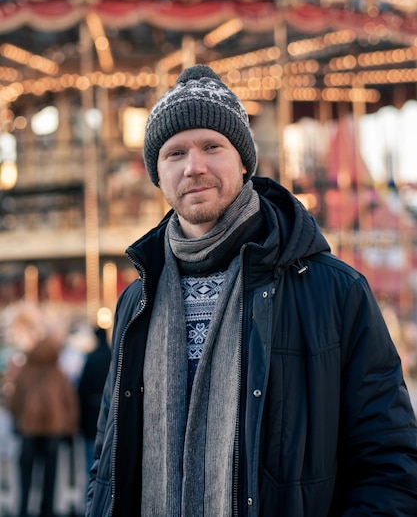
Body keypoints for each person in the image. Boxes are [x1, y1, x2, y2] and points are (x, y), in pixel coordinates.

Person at [85, 64, 417, 517]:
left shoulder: (333, 291)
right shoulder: (135, 300)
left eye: (211, 147)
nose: (194, 167)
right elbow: (109, 453)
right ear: (157, 174)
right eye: (175, 153)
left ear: (243, 160)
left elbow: (389, 457)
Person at [9, 335, 79, 517]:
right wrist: (70, 427)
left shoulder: (26, 373)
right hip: (53, 431)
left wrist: (19, 418)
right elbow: (69, 403)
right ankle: (46, 511)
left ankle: (23, 509)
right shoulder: (58, 374)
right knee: (50, 476)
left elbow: (14, 402)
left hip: (28, 430)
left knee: (26, 475)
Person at [77, 327, 111, 475]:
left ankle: (90, 497)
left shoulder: (91, 359)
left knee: (92, 464)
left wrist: (81, 423)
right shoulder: (113, 356)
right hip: (111, 415)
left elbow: (82, 391)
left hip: (92, 418)